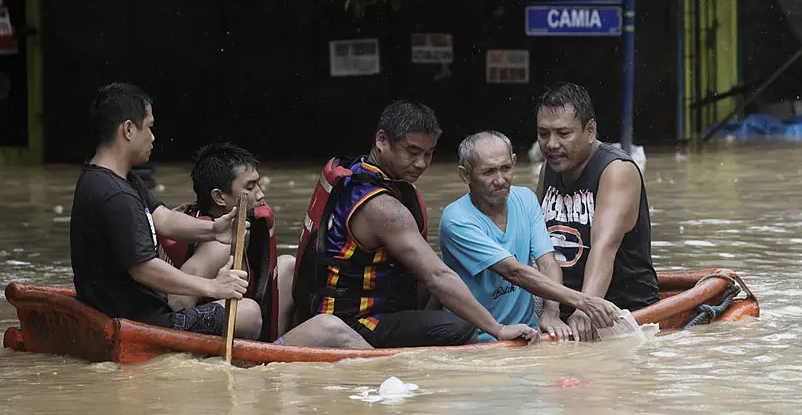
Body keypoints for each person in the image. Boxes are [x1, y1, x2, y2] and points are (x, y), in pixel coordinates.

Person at [292, 101, 540, 349]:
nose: (421, 163)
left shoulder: (357, 171)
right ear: (381, 140)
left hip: (353, 306)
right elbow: (436, 277)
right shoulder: (382, 208)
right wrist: (498, 329)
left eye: (428, 153)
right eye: (412, 152)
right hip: (354, 321)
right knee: (459, 328)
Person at [70, 83, 261, 339]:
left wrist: (214, 229)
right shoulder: (116, 195)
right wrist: (214, 286)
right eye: (148, 127)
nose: (153, 137)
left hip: (130, 309)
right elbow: (144, 269)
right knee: (250, 312)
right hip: (141, 323)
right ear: (128, 129)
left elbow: (164, 218)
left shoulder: (115, 179)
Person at [160, 142, 371, 349]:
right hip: (227, 330)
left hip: (249, 330)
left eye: (257, 184)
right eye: (250, 187)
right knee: (328, 327)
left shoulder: (241, 226)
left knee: (287, 265)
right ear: (219, 197)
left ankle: (275, 345)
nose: (260, 194)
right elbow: (178, 300)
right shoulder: (217, 245)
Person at [438, 131, 621, 342]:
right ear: (465, 175)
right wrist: (583, 301)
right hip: (478, 339)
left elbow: (547, 262)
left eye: (506, 168)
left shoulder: (525, 199)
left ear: (514, 162)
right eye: (488, 172)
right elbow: (513, 271)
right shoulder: (456, 220)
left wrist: (551, 311)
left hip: (529, 334)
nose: (500, 180)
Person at [535, 82, 659, 341]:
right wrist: (552, 308)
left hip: (617, 307)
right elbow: (540, 246)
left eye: (563, 133)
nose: (551, 144)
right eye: (543, 134)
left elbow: (605, 246)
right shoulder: (549, 170)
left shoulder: (616, 170)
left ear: (590, 130)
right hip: (565, 303)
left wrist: (585, 308)